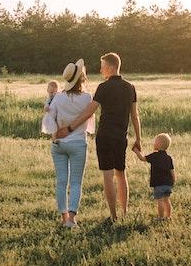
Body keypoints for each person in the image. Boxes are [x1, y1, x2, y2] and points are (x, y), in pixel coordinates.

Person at [53, 52, 141, 222]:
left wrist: (69, 128)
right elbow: (134, 115)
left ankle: (114, 216)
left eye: (102, 66)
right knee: (121, 174)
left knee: (108, 176)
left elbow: (88, 112)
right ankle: (125, 212)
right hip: (121, 137)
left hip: (105, 137)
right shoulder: (130, 87)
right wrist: (138, 138)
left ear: (110, 67)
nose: (101, 70)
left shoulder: (103, 87)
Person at [45, 59, 95, 228]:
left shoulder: (58, 98)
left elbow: (49, 119)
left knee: (61, 182)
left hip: (58, 143)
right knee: (75, 182)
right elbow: (90, 122)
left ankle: (63, 217)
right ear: (82, 78)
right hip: (78, 144)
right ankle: (72, 219)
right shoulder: (88, 97)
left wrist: (54, 135)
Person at [135, 132, 174, 220]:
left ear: (159, 144)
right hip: (168, 184)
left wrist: (136, 151)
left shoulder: (154, 156)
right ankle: (168, 216)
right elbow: (172, 170)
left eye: (155, 141)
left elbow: (142, 158)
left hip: (159, 184)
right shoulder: (169, 158)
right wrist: (173, 181)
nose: (154, 143)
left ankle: (161, 217)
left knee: (160, 201)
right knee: (167, 200)